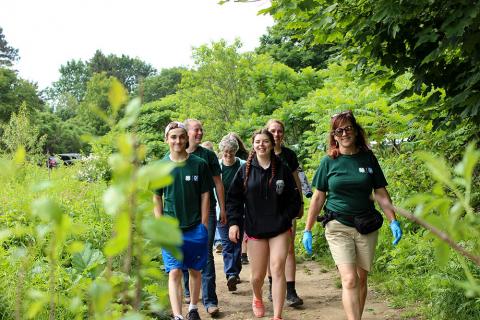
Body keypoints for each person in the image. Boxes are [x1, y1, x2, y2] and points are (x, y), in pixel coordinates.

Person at [302, 110, 403, 320]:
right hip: (338, 225)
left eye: (348, 128)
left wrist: (394, 220)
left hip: (366, 225)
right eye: (339, 131)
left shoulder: (368, 158)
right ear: (334, 136)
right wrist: (308, 229)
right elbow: (319, 197)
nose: (344, 133)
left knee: (361, 279)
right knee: (349, 280)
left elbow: (381, 192)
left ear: (356, 131)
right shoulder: (328, 162)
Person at [227, 129, 301, 320]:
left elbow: (294, 198)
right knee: (257, 277)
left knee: (277, 269)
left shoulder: (282, 168)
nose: (261, 145)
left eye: (265, 141)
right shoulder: (245, 170)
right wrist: (234, 223)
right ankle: (257, 296)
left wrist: (286, 217)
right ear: (253, 145)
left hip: (279, 228)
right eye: (258, 142)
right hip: (255, 229)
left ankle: (277, 315)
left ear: (272, 144)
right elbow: (233, 199)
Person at [153, 121, 211, 320]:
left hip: (195, 227)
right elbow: (157, 198)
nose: (178, 140)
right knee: (174, 272)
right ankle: (177, 315)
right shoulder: (160, 167)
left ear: (187, 139)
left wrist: (204, 224)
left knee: (195, 270)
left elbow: (205, 194)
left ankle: (193, 308)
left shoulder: (199, 164)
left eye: (181, 136)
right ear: (167, 140)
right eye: (173, 137)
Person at [183, 119, 225, 317]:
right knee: (182, 253)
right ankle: (189, 292)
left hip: (207, 210)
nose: (200, 132)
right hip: (182, 213)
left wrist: (222, 209)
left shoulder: (208, 155)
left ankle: (210, 301)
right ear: (186, 132)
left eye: (201, 129)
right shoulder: (176, 154)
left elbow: (218, 183)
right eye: (196, 129)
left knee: (205, 254)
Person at [265, 119, 304, 307]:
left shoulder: (289, 155)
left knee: (289, 249)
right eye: (273, 130)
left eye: (280, 131)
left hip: (287, 209)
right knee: (269, 251)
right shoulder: (261, 153)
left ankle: (291, 291)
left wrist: (301, 203)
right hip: (265, 212)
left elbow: (297, 180)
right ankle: (273, 286)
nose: (276, 134)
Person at [216, 134, 245, 292]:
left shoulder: (243, 165)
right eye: (225, 152)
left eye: (231, 152)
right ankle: (231, 274)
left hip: (240, 210)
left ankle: (235, 271)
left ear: (235, 151)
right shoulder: (217, 167)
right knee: (227, 243)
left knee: (237, 242)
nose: (228, 155)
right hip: (221, 210)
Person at [226, 132, 250, 265]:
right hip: (232, 199)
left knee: (244, 228)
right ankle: (241, 255)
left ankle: (244, 253)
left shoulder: (246, 159)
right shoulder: (224, 159)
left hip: (244, 199)